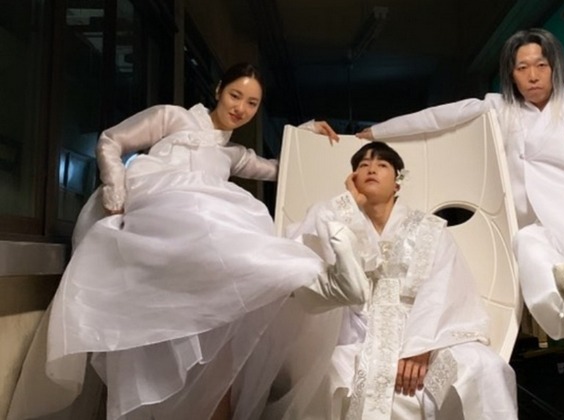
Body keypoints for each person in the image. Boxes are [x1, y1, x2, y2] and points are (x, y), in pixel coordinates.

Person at [8, 62, 368, 420]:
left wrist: (303, 136)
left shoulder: (234, 154)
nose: (240, 108)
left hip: (191, 244)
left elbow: (279, 168)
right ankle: (304, 279)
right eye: (235, 95)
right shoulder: (174, 117)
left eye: (252, 104)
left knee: (246, 222)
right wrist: (115, 186)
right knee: (204, 216)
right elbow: (111, 140)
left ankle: (303, 280)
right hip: (156, 215)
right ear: (219, 91)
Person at [356, 29, 564, 419]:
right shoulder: (498, 110)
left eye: (541, 65)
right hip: (549, 244)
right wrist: (372, 134)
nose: (533, 75)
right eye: (522, 67)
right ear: (511, 74)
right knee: (527, 244)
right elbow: (437, 119)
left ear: (555, 68)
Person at [263, 142, 517, 419]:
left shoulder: (429, 229)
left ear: (397, 183)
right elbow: (304, 251)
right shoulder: (335, 215)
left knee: (483, 365)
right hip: (355, 334)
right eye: (363, 165)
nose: (371, 169)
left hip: (423, 332)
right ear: (352, 180)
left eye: (382, 164)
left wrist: (421, 346)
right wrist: (347, 204)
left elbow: (443, 287)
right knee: (329, 371)